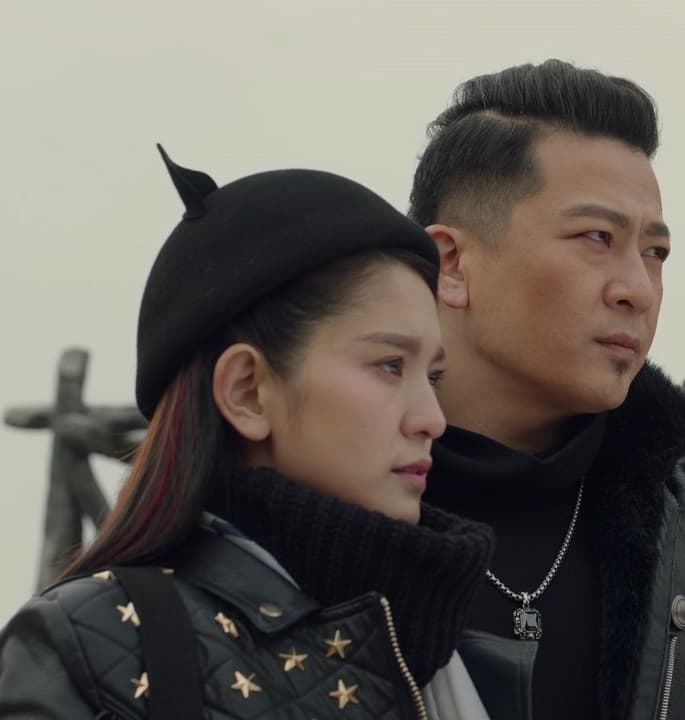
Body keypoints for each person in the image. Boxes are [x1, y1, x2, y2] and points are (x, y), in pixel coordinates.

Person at [0, 148, 494, 718]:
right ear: (247, 392)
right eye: (390, 366)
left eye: (433, 377)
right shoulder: (89, 648)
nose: (432, 418)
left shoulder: (450, 650)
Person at [406, 59, 685, 720]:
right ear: (451, 262)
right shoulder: (322, 512)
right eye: (597, 237)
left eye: (655, 252)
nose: (638, 290)